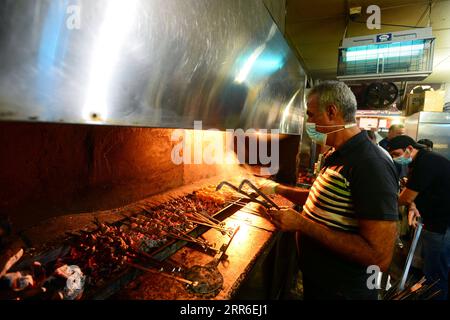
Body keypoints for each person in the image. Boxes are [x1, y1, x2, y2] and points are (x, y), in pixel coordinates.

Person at [261, 81, 399, 300]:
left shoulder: (371, 163)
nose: (309, 121)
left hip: (343, 292)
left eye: (311, 114)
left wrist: (301, 224)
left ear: (332, 111)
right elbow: (322, 199)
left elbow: (378, 256)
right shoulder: (337, 155)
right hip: (321, 283)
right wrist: (277, 188)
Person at [388, 135, 450, 300]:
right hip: (434, 220)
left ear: (409, 149)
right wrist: (414, 206)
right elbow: (419, 193)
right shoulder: (421, 161)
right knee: (431, 270)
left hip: (441, 225)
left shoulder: (426, 163)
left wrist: (383, 204)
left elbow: (406, 197)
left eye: (396, 154)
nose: (396, 158)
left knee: (435, 274)